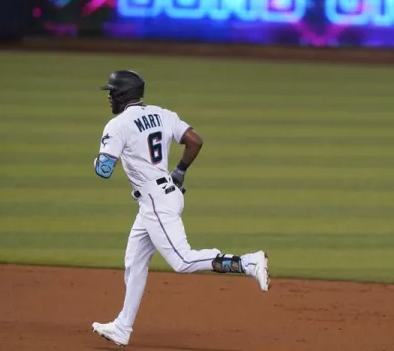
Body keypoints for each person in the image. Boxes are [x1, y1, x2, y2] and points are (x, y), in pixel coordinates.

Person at [91, 70, 270, 347]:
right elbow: (195, 140)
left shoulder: (117, 125)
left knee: (183, 261)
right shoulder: (163, 114)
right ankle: (122, 327)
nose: (109, 97)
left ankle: (248, 262)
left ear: (124, 95)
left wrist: (99, 160)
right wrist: (180, 170)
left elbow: (103, 170)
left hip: (155, 202)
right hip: (167, 193)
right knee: (134, 261)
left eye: (112, 92)